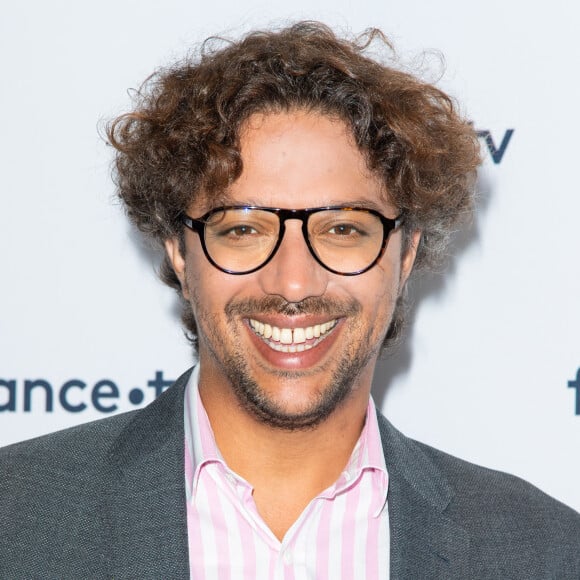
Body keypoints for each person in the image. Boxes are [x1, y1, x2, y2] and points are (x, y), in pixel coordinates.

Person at [1, 21, 578, 579]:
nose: (293, 284)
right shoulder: (18, 520)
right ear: (179, 249)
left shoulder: (542, 550)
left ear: (404, 257)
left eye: (344, 229)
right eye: (243, 229)